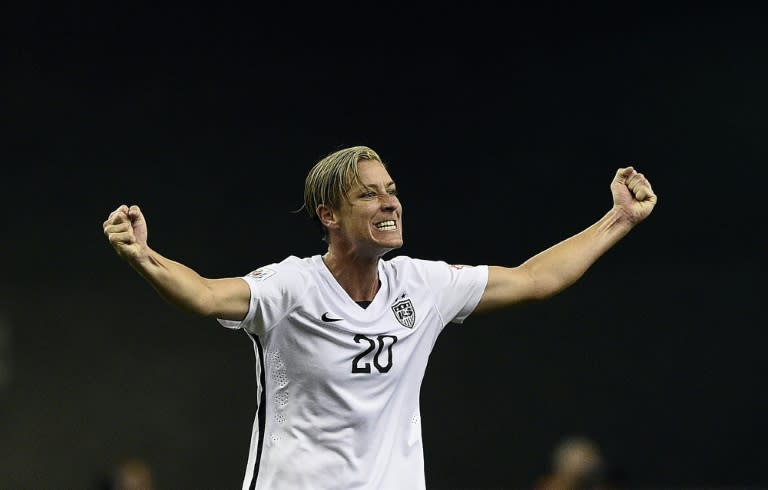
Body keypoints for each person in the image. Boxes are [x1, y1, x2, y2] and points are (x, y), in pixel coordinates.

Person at [103, 146, 657, 490]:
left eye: (391, 191)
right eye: (368, 195)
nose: (390, 203)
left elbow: (537, 279)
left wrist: (619, 219)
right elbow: (201, 295)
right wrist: (142, 256)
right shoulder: (293, 286)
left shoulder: (423, 284)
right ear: (329, 216)